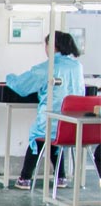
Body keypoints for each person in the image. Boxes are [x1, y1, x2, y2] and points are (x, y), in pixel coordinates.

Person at [7, 31, 86, 190]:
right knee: (56, 137)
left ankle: (25, 178)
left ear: (53, 46)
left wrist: (10, 77)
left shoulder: (47, 67)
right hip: (73, 124)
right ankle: (60, 177)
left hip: (52, 121)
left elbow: (22, 86)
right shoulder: (77, 66)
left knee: (38, 137)